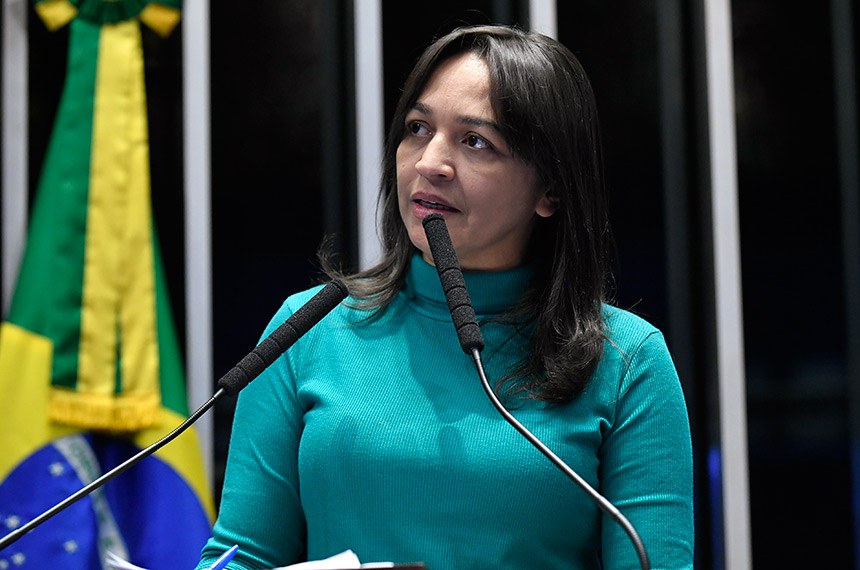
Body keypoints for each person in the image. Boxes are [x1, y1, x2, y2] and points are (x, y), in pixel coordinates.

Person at [197, 24, 694, 570]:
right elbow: (240, 556)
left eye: (475, 140)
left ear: (551, 189)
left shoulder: (627, 360)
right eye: (417, 128)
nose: (429, 162)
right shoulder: (306, 329)